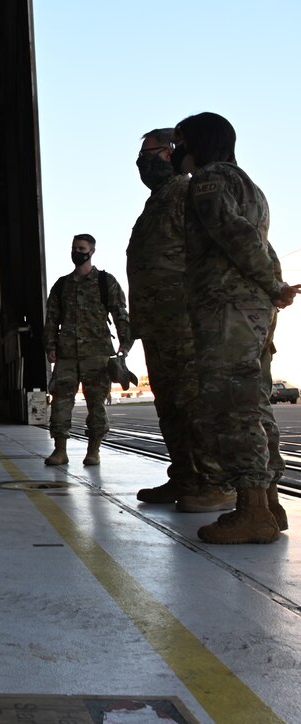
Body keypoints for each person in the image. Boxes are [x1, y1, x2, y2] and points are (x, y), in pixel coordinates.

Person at [172, 112, 294, 544]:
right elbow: (261, 242)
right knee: (255, 401)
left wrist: (273, 284)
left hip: (226, 308)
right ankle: (271, 502)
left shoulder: (208, 180)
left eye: (179, 139)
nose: (174, 148)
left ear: (198, 142)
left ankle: (252, 512)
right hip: (252, 310)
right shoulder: (249, 185)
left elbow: (235, 234)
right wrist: (271, 291)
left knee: (230, 404)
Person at [126, 129, 229, 512]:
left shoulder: (187, 192)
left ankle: (214, 482)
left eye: (147, 153)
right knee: (170, 406)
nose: (142, 162)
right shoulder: (157, 201)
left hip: (185, 322)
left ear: (169, 153)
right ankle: (185, 475)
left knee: (194, 404)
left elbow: (222, 239)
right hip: (158, 324)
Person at [43, 234, 131, 467]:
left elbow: (120, 312)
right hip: (67, 354)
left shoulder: (105, 281)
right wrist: (50, 346)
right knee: (60, 402)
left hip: (97, 353)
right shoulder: (62, 285)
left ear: (91, 251)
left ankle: (94, 451)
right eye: (74, 248)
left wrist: (125, 343)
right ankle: (60, 450)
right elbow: (51, 319)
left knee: (96, 404)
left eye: (81, 248)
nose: (77, 252)